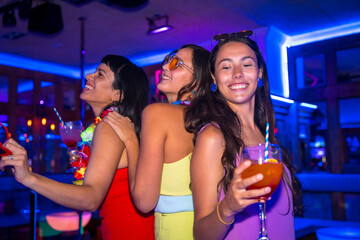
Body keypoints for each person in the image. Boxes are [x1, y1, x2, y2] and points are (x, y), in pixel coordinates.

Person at [0, 55, 154, 240]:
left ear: (118, 94)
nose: (89, 75)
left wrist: (29, 177)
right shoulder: (111, 126)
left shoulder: (108, 127)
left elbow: (90, 199)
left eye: (100, 74)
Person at [184, 32, 302, 239]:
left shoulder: (267, 138)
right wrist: (228, 207)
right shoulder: (213, 136)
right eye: (226, 67)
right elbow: (202, 234)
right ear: (214, 77)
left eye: (247, 64)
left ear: (259, 72)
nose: (237, 73)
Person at [103, 44, 211, 239]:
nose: (165, 67)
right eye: (168, 60)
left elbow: (144, 201)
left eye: (177, 63)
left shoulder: (157, 113)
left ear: (197, 81)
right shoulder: (209, 121)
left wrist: (130, 139)